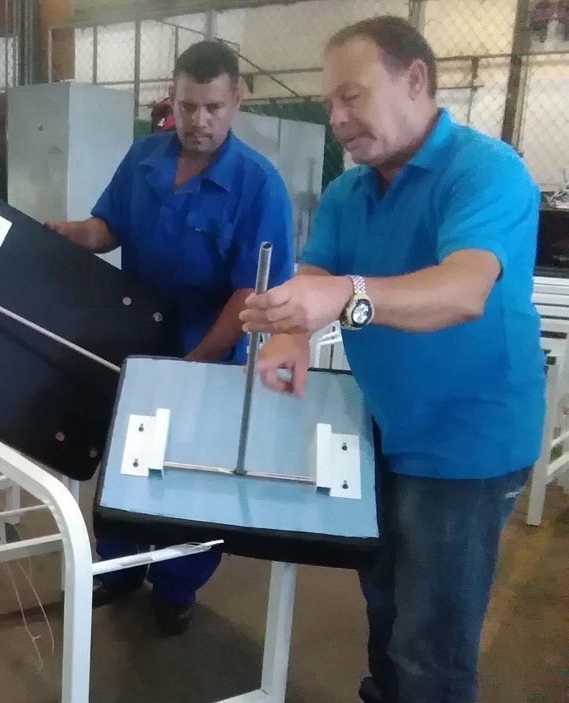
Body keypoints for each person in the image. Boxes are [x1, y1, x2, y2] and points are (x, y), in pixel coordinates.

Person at [240, 16, 544, 703]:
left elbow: (463, 290)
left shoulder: (485, 171)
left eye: (352, 97)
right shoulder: (349, 191)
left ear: (415, 79)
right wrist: (290, 333)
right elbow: (316, 271)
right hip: (379, 423)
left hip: (466, 438)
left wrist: (346, 296)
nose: (337, 120)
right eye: (329, 104)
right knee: (383, 598)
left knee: (431, 637)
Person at [46, 40, 294, 634]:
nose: (198, 120)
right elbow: (109, 227)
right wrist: (69, 234)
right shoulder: (144, 159)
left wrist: (195, 361)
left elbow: (250, 292)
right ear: (172, 99)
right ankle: (120, 567)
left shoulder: (258, 185)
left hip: (208, 351)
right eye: (187, 106)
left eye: (213, 107)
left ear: (237, 99)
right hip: (136, 343)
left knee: (191, 475)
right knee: (127, 459)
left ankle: (177, 585)